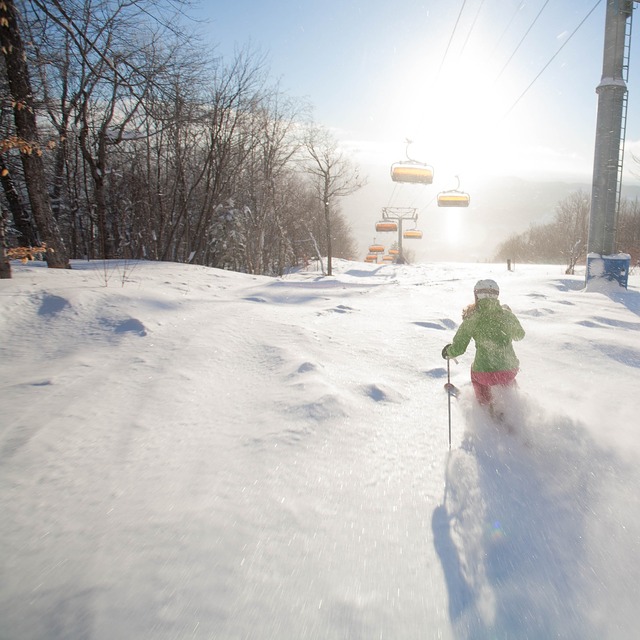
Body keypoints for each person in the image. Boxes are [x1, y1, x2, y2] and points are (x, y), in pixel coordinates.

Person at [442, 279, 525, 411]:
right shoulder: (506, 315)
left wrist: (448, 352)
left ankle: (485, 405)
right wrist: (509, 318)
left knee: (476, 373)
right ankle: (512, 403)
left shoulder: (473, 317)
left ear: (477, 295)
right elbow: (519, 335)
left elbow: (459, 347)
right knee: (506, 379)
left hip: (484, 372)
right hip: (509, 369)